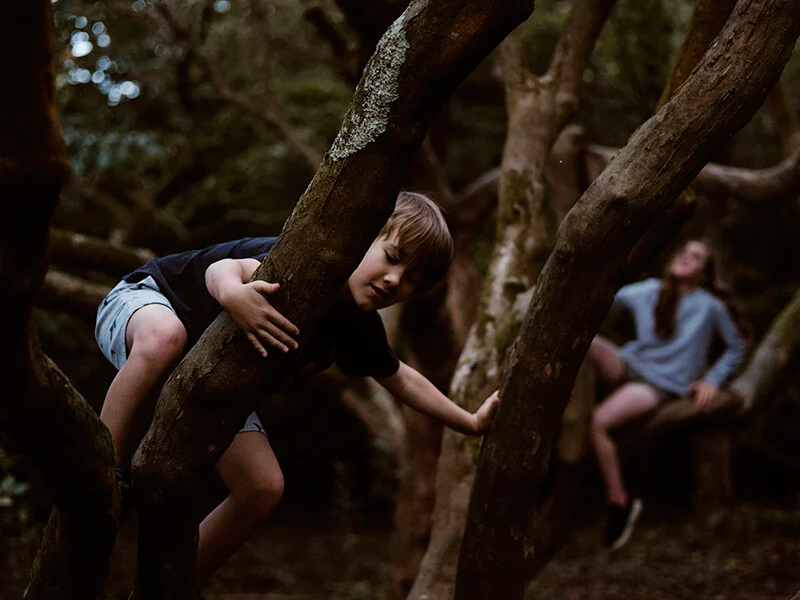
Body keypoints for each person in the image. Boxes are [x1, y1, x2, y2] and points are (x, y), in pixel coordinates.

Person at [94, 191, 500, 584]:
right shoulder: (305, 262)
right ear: (361, 236)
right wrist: (235, 296)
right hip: (144, 303)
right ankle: (102, 469)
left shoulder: (355, 326)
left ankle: (174, 585)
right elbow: (222, 270)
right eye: (392, 257)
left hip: (210, 381)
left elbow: (400, 377)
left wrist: (470, 422)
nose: (395, 280)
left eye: (412, 279)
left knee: (262, 487)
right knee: (166, 337)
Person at [586, 239, 746, 551]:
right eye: (684, 252)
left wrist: (712, 380)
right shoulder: (649, 290)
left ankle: (619, 501)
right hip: (628, 364)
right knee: (586, 342)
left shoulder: (709, 306)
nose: (686, 258)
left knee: (597, 423)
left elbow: (737, 346)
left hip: (659, 384)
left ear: (704, 273)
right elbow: (601, 298)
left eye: (696, 257)